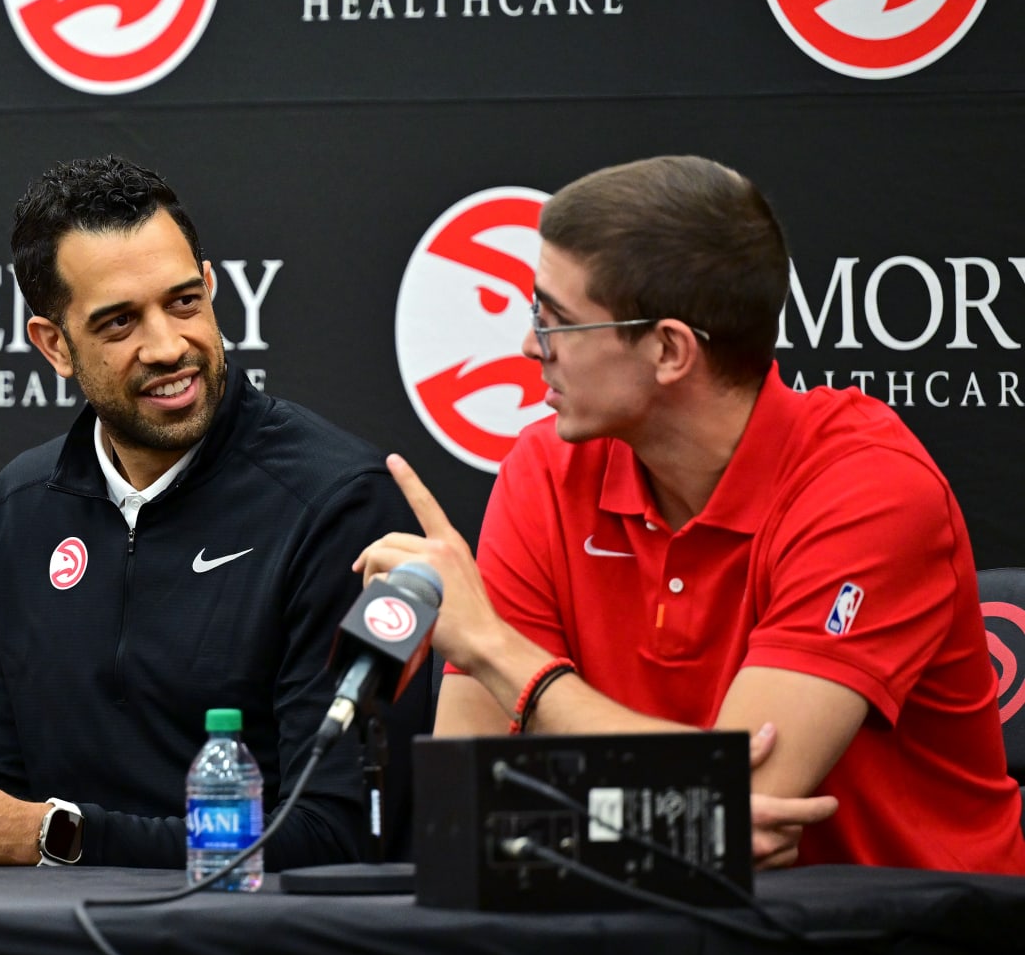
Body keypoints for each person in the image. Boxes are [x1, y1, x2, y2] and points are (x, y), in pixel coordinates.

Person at [356, 155, 1025, 873]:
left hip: (911, 937)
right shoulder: (545, 470)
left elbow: (742, 796)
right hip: (655, 929)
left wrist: (496, 650)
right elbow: (472, 808)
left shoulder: (868, 490)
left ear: (669, 350)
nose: (528, 347)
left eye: (556, 322)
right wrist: (687, 812)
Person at [0, 157, 416, 867]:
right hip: (53, 942)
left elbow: (332, 837)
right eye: (119, 323)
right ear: (54, 345)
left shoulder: (334, 501)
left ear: (210, 287)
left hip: (250, 944)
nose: (168, 347)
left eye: (182, 303)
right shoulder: (21, 507)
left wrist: (59, 836)